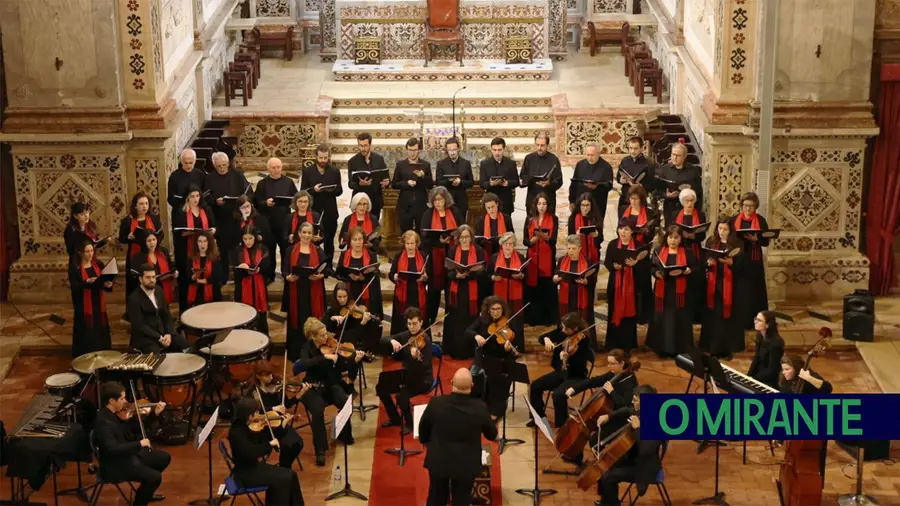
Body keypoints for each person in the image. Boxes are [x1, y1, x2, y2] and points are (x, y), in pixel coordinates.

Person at [420, 368, 498, 506]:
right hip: (466, 464)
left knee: (436, 498)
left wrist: (426, 442)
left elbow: (423, 429)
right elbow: (491, 434)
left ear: (451, 382)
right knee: (461, 500)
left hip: (439, 460)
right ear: (472, 386)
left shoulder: (436, 403)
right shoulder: (480, 407)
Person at [294, 318, 362, 466]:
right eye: (323, 335)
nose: (327, 337)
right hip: (312, 387)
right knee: (317, 411)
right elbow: (304, 363)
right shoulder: (307, 348)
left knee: (345, 401)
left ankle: (344, 433)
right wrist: (324, 357)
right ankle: (320, 450)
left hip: (331, 385)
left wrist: (353, 361)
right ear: (313, 337)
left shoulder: (332, 345)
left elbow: (343, 366)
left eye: (326, 333)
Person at [94, 381, 170, 506]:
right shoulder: (103, 422)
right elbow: (112, 449)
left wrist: (154, 415)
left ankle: (145, 492)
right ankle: (140, 501)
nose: (125, 402)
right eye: (122, 398)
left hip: (129, 455)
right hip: (115, 465)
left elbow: (135, 429)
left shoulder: (116, 414)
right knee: (155, 477)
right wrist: (139, 444)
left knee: (163, 458)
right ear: (112, 401)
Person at [564, 348, 639, 464]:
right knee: (585, 429)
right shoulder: (613, 374)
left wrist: (612, 392)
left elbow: (626, 405)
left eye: (612, 364)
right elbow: (594, 381)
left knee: (595, 439)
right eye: (608, 363)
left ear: (622, 363)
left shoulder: (631, 382)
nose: (610, 367)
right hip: (609, 411)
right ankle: (576, 456)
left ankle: (606, 465)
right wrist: (574, 389)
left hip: (620, 417)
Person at [228, 397, 305, 506]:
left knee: (291, 475)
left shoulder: (246, 425)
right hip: (246, 474)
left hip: (253, 467)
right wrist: (268, 445)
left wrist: (282, 426)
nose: (259, 414)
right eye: (256, 412)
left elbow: (266, 436)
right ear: (249, 416)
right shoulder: (237, 433)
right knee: (284, 478)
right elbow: (250, 453)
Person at [594, 385, 663, 506]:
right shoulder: (642, 411)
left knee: (608, 477)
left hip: (644, 466)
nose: (632, 402)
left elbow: (645, 450)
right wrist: (608, 416)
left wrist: (638, 429)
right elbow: (627, 409)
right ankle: (608, 501)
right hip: (633, 458)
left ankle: (612, 503)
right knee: (603, 467)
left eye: (635, 400)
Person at [234, 361, 306, 469]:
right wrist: (272, 408)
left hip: (278, 422)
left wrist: (300, 394)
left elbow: (286, 404)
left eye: (271, 374)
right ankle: (285, 470)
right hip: (263, 428)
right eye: (267, 375)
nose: (271, 377)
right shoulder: (253, 392)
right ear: (258, 376)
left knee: (298, 443)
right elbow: (254, 413)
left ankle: (285, 467)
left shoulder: (277, 386)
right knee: (287, 445)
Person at [528, 312, 593, 428]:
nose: (562, 330)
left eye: (566, 328)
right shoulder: (563, 332)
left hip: (576, 375)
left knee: (558, 394)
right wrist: (547, 340)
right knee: (535, 386)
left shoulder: (584, 341)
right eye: (562, 326)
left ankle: (562, 426)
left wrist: (568, 357)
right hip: (562, 373)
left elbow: (579, 367)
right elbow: (542, 337)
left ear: (575, 329)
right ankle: (539, 418)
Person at [378, 307, 434, 432]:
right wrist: (392, 341)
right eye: (409, 324)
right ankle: (395, 418)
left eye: (415, 324)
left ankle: (410, 423)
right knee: (382, 389)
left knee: (401, 395)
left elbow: (425, 365)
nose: (412, 327)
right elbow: (382, 340)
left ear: (421, 323)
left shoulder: (426, 341)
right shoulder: (405, 336)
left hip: (423, 379)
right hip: (406, 376)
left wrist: (415, 358)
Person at [646, 226, 697, 357]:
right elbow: (651, 267)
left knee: (678, 319)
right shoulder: (658, 250)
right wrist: (656, 273)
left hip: (680, 293)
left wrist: (689, 270)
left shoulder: (687, 252)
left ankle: (679, 348)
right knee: (663, 318)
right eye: (670, 237)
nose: (673, 240)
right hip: (663, 290)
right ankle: (661, 348)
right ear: (666, 238)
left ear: (680, 239)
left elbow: (696, 266)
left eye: (676, 237)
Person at [282, 222, 330, 361]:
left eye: (309, 233)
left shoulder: (318, 251)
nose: (307, 235)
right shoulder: (290, 250)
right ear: (299, 233)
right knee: (297, 322)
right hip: (296, 291)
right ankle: (295, 354)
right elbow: (285, 269)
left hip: (313, 291)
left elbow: (327, 270)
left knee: (313, 322)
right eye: (304, 232)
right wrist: (287, 277)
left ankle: (313, 353)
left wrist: (320, 275)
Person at [698, 218, 745, 358]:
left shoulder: (738, 244)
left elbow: (743, 268)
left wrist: (731, 263)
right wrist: (708, 262)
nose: (722, 232)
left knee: (726, 316)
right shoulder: (711, 242)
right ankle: (710, 346)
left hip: (731, 285)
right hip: (714, 282)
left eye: (725, 229)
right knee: (713, 315)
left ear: (730, 230)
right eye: (720, 229)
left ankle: (725, 348)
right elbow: (704, 261)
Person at [468, 296, 519, 419]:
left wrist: (508, 348)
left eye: (499, 309)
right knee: (472, 376)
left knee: (497, 379)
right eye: (493, 309)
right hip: (484, 357)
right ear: (488, 310)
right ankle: (476, 407)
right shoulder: (482, 320)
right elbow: (468, 330)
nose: (496, 312)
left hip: (502, 359)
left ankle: (495, 411)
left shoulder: (509, 322)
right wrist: (476, 336)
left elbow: (518, 344)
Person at [204, 151, 252, 277]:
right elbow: (205, 198)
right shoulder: (210, 178)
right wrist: (215, 201)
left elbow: (249, 192)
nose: (222, 168)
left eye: (224, 165)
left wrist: (242, 200)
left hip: (237, 217)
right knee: (223, 249)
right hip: (220, 218)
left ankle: (239, 272)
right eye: (219, 166)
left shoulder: (237, 175)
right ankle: (224, 274)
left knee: (238, 247)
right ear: (214, 165)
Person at [419, 187, 462, 323]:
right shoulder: (428, 213)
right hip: (434, 256)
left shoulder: (454, 211)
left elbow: (462, 230)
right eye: (435, 200)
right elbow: (424, 236)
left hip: (453, 254)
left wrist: (453, 238)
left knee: (451, 286)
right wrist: (438, 240)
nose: (437, 203)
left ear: (446, 199)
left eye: (440, 199)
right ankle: (431, 317)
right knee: (433, 290)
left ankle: (452, 317)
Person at [443, 225, 486, 359]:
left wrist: (469, 274)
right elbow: (448, 271)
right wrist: (457, 276)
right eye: (462, 237)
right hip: (457, 290)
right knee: (457, 319)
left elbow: (482, 271)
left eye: (467, 237)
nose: (464, 240)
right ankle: (457, 350)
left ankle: (472, 350)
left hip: (473, 290)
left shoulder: (478, 250)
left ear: (471, 237)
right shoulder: (453, 250)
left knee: (471, 319)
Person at [604, 220, 647, 352]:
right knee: (613, 311)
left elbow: (646, 267)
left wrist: (635, 264)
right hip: (615, 284)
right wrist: (613, 266)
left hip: (631, 285)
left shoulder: (639, 247)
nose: (623, 232)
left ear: (632, 231)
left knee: (629, 317)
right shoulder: (612, 245)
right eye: (621, 229)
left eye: (626, 229)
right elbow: (607, 262)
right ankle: (613, 343)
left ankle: (628, 344)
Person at [127, 264, 189, 353]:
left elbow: (166, 314)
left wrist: (168, 333)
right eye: (148, 277)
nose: (151, 280)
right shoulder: (134, 298)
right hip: (147, 337)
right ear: (140, 279)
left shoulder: (158, 290)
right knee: (156, 358)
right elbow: (140, 326)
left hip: (164, 332)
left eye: (153, 277)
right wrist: (159, 338)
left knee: (188, 347)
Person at [731, 192, 771, 330]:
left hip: (754, 260)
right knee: (739, 290)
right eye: (745, 206)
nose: (748, 209)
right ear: (741, 206)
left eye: (751, 206)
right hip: (738, 259)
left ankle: (756, 320)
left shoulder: (761, 220)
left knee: (754, 290)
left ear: (755, 207)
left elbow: (766, 242)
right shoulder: (734, 219)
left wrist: (757, 239)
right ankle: (739, 320)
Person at [173, 184, 216, 308]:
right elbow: (178, 232)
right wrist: (188, 232)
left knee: (205, 278)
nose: (195, 199)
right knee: (187, 282)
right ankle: (185, 311)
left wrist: (213, 230)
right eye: (192, 196)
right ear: (187, 198)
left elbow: (213, 225)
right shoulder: (182, 211)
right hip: (188, 250)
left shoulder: (205, 209)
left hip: (204, 250)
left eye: (197, 196)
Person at [69, 241, 113, 356]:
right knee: (87, 332)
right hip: (83, 306)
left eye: (92, 251)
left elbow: (104, 281)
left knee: (100, 330)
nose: (90, 254)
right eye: (87, 251)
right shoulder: (76, 268)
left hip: (98, 303)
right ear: (81, 253)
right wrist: (86, 282)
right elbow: (74, 288)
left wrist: (108, 285)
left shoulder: (98, 264)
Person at [300, 144, 343, 262]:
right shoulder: (308, 171)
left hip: (330, 210)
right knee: (314, 240)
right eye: (321, 158)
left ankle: (328, 266)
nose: (323, 161)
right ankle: (314, 263)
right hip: (314, 210)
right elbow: (303, 191)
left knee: (329, 241)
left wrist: (332, 189)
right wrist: (314, 190)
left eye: (325, 158)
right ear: (316, 156)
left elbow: (340, 191)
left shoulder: (334, 171)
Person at [254, 157, 296, 275]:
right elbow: (256, 203)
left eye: (279, 167)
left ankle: (285, 272)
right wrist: (265, 203)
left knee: (285, 250)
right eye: (274, 168)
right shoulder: (262, 184)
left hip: (284, 222)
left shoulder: (288, 182)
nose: (277, 170)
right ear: (268, 169)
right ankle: (269, 275)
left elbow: (296, 199)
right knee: (269, 250)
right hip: (268, 223)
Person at [554, 235, 597, 346]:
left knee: (581, 320)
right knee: (566, 319)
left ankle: (583, 344)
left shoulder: (588, 262)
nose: (571, 251)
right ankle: (564, 343)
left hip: (581, 296)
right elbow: (556, 275)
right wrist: (555, 279)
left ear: (580, 248)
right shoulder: (562, 260)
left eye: (573, 248)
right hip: (566, 296)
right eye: (569, 248)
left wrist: (586, 282)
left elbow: (592, 280)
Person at [487, 233, 526, 352]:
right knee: (500, 318)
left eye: (510, 244)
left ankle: (518, 346)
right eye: (505, 244)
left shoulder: (520, 257)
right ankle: (499, 345)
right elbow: (488, 274)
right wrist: (494, 278)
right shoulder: (494, 257)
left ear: (514, 245)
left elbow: (526, 275)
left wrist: (521, 275)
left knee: (516, 319)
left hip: (516, 294)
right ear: (501, 245)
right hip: (500, 294)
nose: (508, 247)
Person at [524, 193, 559, 326]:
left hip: (547, 257)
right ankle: (533, 318)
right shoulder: (530, 219)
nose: (542, 207)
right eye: (539, 204)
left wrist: (546, 238)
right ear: (535, 205)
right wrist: (532, 241)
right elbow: (524, 241)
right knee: (534, 288)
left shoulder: (553, 218)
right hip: (533, 257)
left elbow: (554, 240)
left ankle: (548, 319)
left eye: (544, 204)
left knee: (547, 288)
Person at [335, 227, 384, 322]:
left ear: (364, 241)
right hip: (349, 291)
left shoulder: (371, 255)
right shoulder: (344, 254)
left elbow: (375, 276)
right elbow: (338, 273)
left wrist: (362, 278)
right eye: (354, 240)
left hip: (366, 292)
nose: (357, 242)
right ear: (350, 241)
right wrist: (349, 276)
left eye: (360, 239)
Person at [119, 192, 162, 296]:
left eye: (146, 203)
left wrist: (154, 240)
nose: (145, 206)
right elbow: (121, 238)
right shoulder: (127, 221)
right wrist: (128, 238)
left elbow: (161, 235)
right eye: (141, 204)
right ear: (135, 206)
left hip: (151, 254)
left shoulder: (154, 218)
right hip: (135, 255)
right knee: (134, 283)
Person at [673, 188, 707, 322]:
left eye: (692, 200)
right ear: (682, 202)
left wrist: (694, 235)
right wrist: (682, 236)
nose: (689, 203)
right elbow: (671, 231)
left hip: (694, 249)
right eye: (687, 201)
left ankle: (696, 314)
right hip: (680, 249)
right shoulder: (676, 214)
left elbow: (703, 233)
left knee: (695, 280)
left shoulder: (700, 215)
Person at [389, 230, 430, 335]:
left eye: (412, 243)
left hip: (417, 293)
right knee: (402, 320)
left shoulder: (423, 255)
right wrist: (395, 277)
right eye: (407, 243)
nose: (410, 246)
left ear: (417, 243)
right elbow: (391, 274)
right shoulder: (398, 256)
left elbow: (429, 275)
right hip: (403, 294)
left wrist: (425, 277)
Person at [233, 225, 271, 335]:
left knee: (261, 317)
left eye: (250, 238)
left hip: (259, 286)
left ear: (255, 237)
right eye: (245, 239)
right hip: (244, 287)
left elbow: (268, 266)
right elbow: (235, 271)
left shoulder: (262, 248)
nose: (248, 242)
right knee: (244, 317)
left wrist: (259, 268)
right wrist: (244, 269)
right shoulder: (238, 250)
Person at [321, 282, 380, 352]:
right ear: (335, 297)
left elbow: (357, 332)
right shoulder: (331, 310)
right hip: (338, 338)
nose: (342, 300)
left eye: (345, 296)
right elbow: (322, 326)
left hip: (352, 335)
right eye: (339, 297)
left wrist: (363, 322)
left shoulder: (353, 307)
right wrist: (332, 318)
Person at [393, 137, 434, 232]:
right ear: (407, 150)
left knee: (421, 232)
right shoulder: (400, 165)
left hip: (421, 204)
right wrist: (406, 183)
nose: (412, 153)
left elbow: (430, 185)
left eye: (415, 150)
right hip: (405, 205)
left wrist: (423, 176)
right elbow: (394, 184)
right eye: (410, 150)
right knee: (405, 232)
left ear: (419, 150)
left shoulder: (425, 165)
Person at [655, 142, 702, 226]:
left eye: (678, 155)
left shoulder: (692, 170)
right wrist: (666, 195)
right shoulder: (664, 170)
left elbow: (699, 191)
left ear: (684, 156)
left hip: (687, 208)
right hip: (670, 207)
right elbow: (657, 190)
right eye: (673, 154)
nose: (675, 158)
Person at [569, 142, 613, 228]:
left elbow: (609, 186)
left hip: (597, 203)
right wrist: (571, 200)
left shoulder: (606, 167)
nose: (589, 158)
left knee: (595, 228)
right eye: (588, 155)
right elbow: (574, 184)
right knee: (578, 227)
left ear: (598, 154)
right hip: (581, 203)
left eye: (592, 155)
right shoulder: (580, 165)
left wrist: (597, 187)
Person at [347, 132, 389, 218]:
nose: (363, 148)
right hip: (359, 201)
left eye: (365, 145)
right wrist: (359, 184)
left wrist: (387, 182)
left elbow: (386, 177)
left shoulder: (379, 159)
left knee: (374, 228)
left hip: (375, 200)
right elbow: (350, 184)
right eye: (361, 146)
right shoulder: (352, 161)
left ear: (370, 145)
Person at [131, 229, 176, 306]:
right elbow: (135, 275)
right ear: (144, 242)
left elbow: (171, 266)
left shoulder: (164, 252)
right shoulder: (138, 257)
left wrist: (174, 272)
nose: (152, 243)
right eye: (149, 241)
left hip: (164, 286)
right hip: (148, 289)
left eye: (154, 239)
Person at [521, 134, 563, 214]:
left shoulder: (553, 159)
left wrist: (549, 183)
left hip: (548, 200)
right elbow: (523, 175)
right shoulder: (529, 158)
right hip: (532, 198)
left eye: (542, 145)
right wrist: (530, 179)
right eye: (537, 145)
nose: (539, 148)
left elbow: (559, 181)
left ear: (547, 145)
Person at [435, 137, 474, 221]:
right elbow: (438, 182)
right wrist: (449, 182)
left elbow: (471, 182)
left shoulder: (466, 163)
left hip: (461, 200)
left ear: (458, 149)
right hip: (446, 200)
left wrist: (460, 182)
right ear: (446, 150)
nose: (452, 152)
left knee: (461, 223)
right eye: (450, 150)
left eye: (454, 149)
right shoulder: (441, 164)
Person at [233, 196, 273, 278]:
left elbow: (269, 237)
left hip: (258, 253)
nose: (246, 209)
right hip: (242, 254)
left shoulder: (261, 219)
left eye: (248, 206)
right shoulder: (235, 222)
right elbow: (232, 239)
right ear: (238, 209)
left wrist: (259, 237)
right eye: (243, 207)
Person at [478, 137, 520, 215]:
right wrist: (490, 184)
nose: (497, 153)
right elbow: (482, 183)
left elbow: (517, 182)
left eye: (499, 150)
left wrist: (507, 183)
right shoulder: (485, 164)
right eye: (494, 150)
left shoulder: (510, 163)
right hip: (491, 201)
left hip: (506, 201)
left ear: (503, 149)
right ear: (491, 150)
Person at [183, 232, 223, 310]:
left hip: (213, 292)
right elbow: (187, 276)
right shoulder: (191, 258)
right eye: (200, 241)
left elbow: (217, 275)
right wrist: (193, 277)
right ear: (196, 243)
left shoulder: (215, 257)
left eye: (205, 241)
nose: (202, 244)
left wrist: (202, 280)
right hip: (197, 293)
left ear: (209, 242)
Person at [747, 311, 785, 389]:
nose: (755, 322)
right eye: (755, 319)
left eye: (759, 320)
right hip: (757, 377)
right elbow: (756, 359)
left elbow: (772, 370)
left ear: (767, 325)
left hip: (767, 382)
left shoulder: (776, 344)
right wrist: (748, 376)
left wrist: (754, 379)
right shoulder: (760, 337)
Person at [616, 137, 654, 212]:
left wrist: (642, 185)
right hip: (625, 197)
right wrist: (620, 180)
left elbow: (652, 183)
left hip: (640, 198)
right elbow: (618, 177)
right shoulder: (625, 160)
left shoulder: (648, 163)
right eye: (630, 148)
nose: (632, 151)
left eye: (636, 148)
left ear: (641, 148)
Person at [474, 193, 514, 262]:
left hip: (503, 251)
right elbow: (477, 241)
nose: (491, 210)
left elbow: (512, 235)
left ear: (497, 204)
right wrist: (484, 241)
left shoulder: (506, 218)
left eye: (493, 206)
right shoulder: (480, 221)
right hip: (487, 252)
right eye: (488, 208)